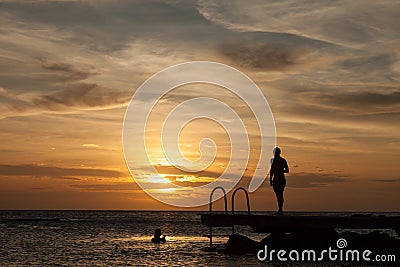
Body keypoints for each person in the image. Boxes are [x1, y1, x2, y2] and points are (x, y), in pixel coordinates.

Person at [269, 147, 289, 215]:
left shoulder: (282, 160)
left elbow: (287, 170)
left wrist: (280, 170)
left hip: (280, 179)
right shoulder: (274, 160)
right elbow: (271, 171)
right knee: (279, 195)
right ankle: (280, 210)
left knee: (280, 194)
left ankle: (280, 210)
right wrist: (270, 179)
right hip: (276, 179)